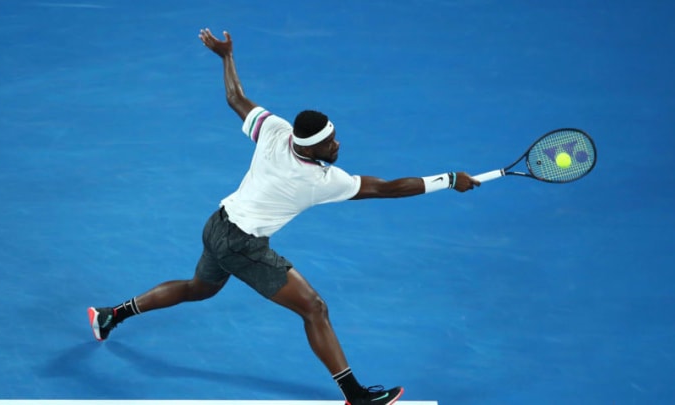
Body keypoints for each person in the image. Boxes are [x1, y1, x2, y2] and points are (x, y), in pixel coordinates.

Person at [87, 27, 480, 405]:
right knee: (314, 308)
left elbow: (235, 98)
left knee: (198, 289)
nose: (337, 143)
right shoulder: (318, 181)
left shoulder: (276, 131)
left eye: (334, 134)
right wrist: (448, 179)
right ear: (312, 150)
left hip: (218, 224)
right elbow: (387, 188)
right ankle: (356, 396)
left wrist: (227, 57)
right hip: (242, 245)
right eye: (330, 142)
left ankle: (111, 314)